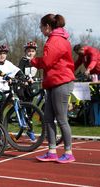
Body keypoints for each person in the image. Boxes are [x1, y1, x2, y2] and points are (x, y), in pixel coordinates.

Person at [31, 14, 76, 163]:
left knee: (61, 119)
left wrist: (33, 61)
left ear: (48, 27)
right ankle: (52, 151)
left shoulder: (55, 41)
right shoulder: (55, 39)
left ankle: (69, 152)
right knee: (48, 118)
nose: (40, 29)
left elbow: (47, 61)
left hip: (61, 82)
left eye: (41, 26)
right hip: (53, 82)